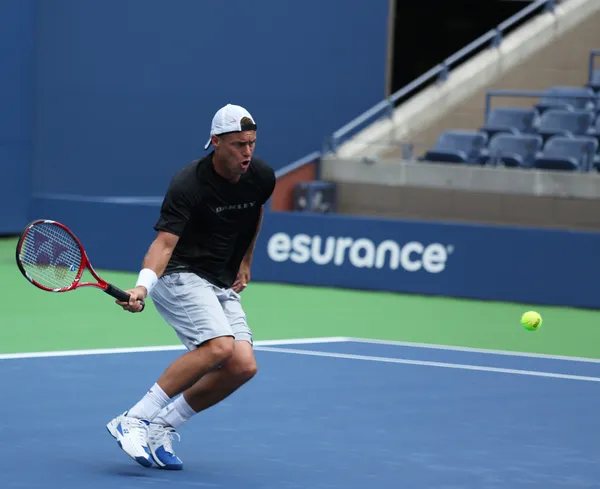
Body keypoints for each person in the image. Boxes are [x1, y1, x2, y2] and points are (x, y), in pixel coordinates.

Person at [105, 104, 276, 470]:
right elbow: (164, 244)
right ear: (216, 142)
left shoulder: (261, 175)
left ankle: (163, 426)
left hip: (218, 278)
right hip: (178, 272)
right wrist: (142, 288)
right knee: (218, 347)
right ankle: (133, 419)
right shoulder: (189, 183)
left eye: (252, 144)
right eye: (238, 145)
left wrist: (245, 261)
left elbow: (255, 212)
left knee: (242, 366)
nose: (247, 153)